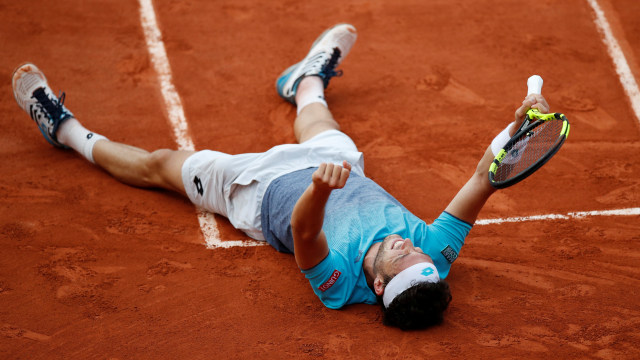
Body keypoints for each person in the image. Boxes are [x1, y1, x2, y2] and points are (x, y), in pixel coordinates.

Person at [12, 23, 549, 330]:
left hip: (255, 189)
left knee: (159, 165)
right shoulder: (431, 255)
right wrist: (520, 128)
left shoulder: (339, 286)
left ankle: (62, 127)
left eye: (401, 256)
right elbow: (486, 177)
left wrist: (319, 186)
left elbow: (304, 234)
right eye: (420, 255)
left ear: (379, 285)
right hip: (335, 165)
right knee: (319, 120)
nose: (410, 245)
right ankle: (306, 78)